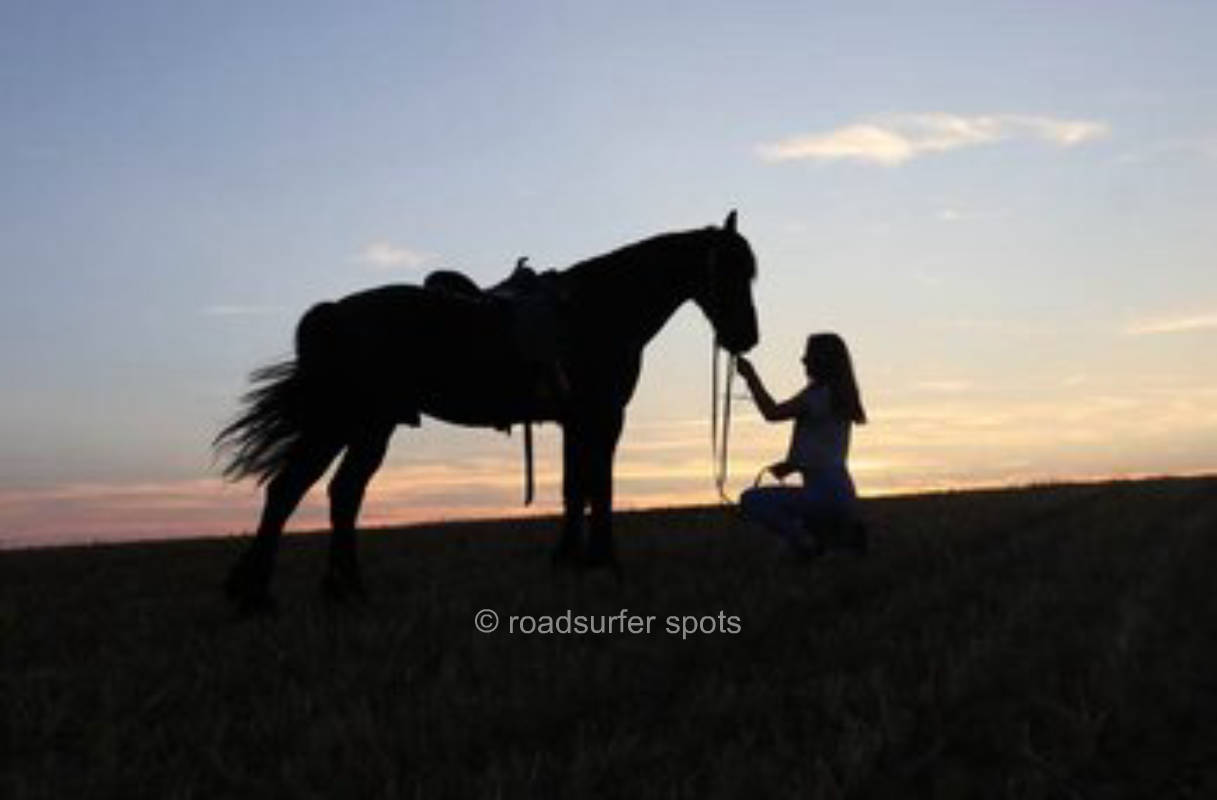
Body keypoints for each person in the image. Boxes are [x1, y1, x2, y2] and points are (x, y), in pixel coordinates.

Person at [736, 332, 868, 558]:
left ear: (821, 360)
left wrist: (750, 377)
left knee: (751, 501)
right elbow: (823, 448)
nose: (803, 360)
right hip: (840, 490)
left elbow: (772, 413)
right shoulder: (837, 396)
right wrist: (794, 465)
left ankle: (809, 545)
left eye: (808, 355)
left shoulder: (817, 396)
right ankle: (832, 539)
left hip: (823, 493)